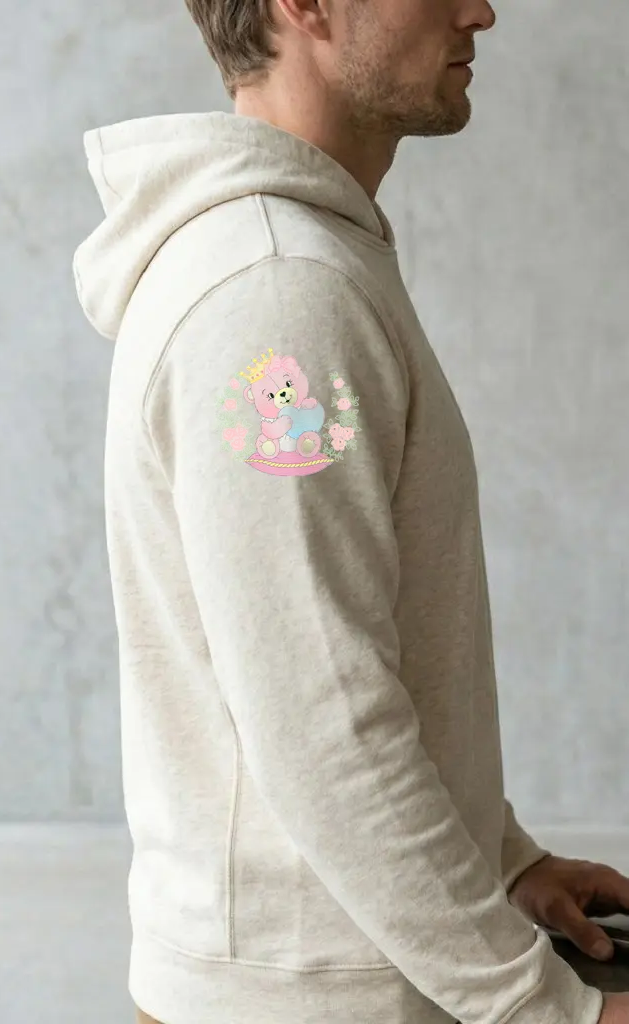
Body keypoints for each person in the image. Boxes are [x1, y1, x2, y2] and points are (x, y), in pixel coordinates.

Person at [72, 0, 629, 1022]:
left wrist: (501, 860)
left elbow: (341, 659)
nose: (480, 11)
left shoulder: (302, 260)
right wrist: (547, 1008)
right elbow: (323, 724)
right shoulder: (277, 297)